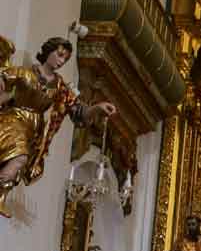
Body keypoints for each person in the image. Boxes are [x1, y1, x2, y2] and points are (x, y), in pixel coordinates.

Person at [0, 35, 115, 215]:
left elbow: (79, 111)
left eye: (66, 58)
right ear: (48, 51)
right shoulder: (26, 73)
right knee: (19, 158)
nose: (62, 61)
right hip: (14, 120)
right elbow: (4, 76)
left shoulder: (60, 87)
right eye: (59, 54)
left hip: (34, 131)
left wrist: (97, 108)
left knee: (19, 163)